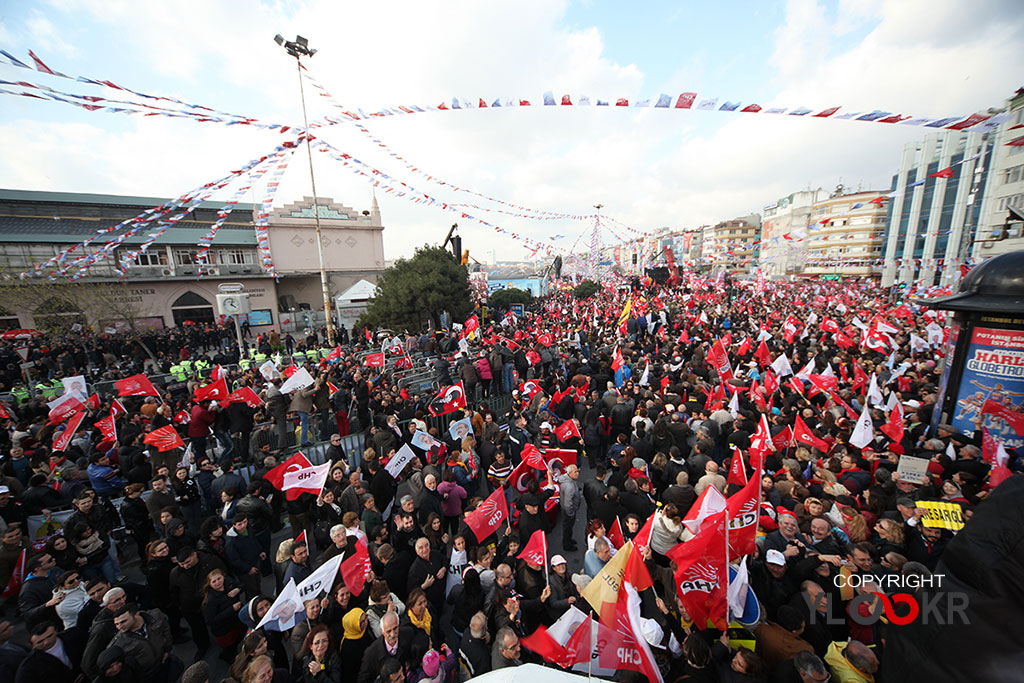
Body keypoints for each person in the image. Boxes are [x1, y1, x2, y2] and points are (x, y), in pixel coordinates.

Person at [14, 620, 83, 683]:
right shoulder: (29, 666)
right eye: (40, 641)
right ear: (33, 645)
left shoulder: (73, 636)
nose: (46, 642)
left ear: (56, 631)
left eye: (50, 636)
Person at [557, 464, 581, 551]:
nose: (577, 473)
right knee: (567, 528)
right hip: (568, 512)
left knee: (568, 528)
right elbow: (568, 503)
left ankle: (569, 540)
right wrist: (571, 513)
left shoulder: (568, 480)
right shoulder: (569, 487)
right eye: (575, 472)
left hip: (566, 510)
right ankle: (567, 545)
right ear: (570, 473)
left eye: (578, 471)